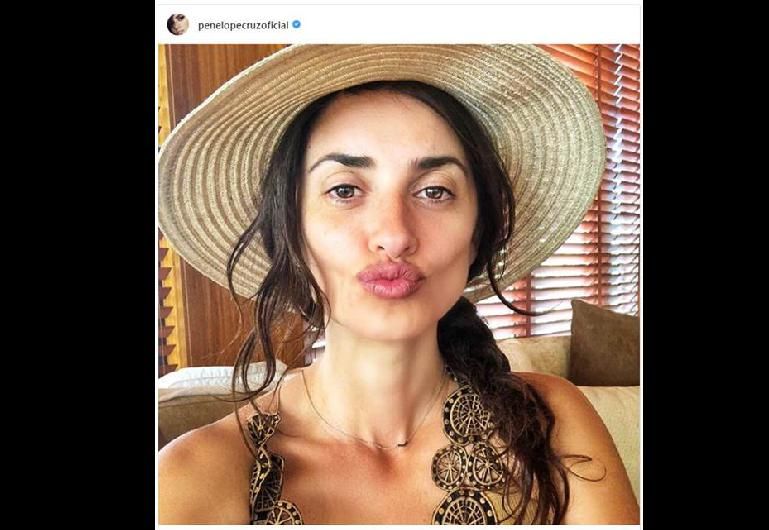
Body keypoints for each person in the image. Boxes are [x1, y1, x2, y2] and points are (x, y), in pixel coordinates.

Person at [157, 44, 639, 524]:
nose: (395, 235)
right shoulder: (193, 478)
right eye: (344, 190)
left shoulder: (550, 424)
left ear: (477, 236)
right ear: (291, 232)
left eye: (434, 191)